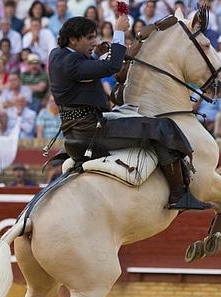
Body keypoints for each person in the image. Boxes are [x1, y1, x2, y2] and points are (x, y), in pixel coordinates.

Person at [48, 16, 204, 209]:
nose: (95, 42)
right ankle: (179, 195)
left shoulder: (59, 55)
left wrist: (96, 56)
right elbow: (112, 67)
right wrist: (119, 31)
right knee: (162, 127)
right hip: (91, 129)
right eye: (90, 38)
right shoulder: (71, 62)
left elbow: (86, 70)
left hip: (80, 128)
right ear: (73, 39)